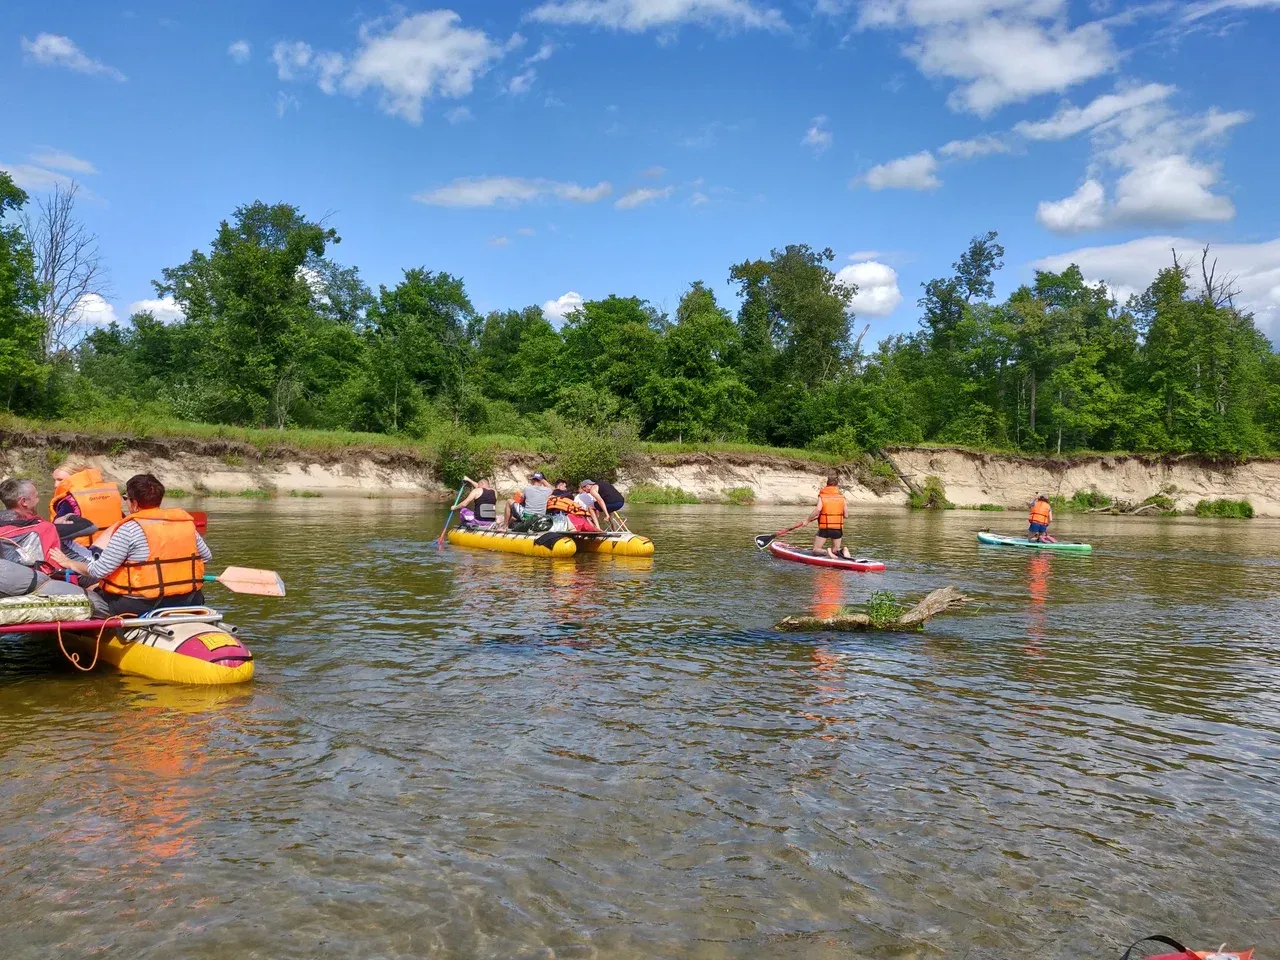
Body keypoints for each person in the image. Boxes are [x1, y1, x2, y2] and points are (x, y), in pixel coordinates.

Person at [56, 474, 212, 617]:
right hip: (189, 599)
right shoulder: (184, 524)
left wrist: (69, 563)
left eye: (126, 498)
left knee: (89, 591)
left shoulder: (129, 529)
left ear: (135, 503)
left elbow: (98, 570)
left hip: (139, 604)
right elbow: (206, 556)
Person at [0, 477, 88, 596]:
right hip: (40, 587)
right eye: (36, 497)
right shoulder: (44, 528)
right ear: (24, 502)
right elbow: (54, 568)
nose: (38, 500)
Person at [49, 465, 124, 529]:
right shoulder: (108, 496)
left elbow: (56, 531)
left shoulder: (69, 502)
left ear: (75, 478)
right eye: (54, 480)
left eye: (61, 480)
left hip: (82, 545)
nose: (55, 485)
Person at [806, 475, 853, 560]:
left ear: (827, 484)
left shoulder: (822, 496)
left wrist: (807, 520)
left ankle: (826, 551)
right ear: (836, 485)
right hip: (837, 528)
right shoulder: (841, 498)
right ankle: (843, 550)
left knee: (816, 550)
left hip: (825, 528)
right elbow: (846, 515)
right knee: (835, 550)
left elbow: (818, 510)